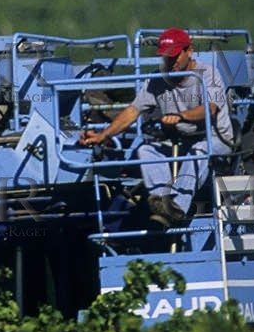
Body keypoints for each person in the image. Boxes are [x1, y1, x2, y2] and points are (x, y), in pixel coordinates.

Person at [80, 28, 236, 226]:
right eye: (166, 58)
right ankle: (163, 202)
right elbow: (133, 111)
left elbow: (210, 109)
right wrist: (103, 135)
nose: (171, 63)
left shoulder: (208, 74)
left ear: (189, 51)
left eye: (174, 56)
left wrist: (181, 116)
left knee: (200, 150)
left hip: (215, 139)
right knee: (146, 150)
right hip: (179, 141)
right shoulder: (157, 80)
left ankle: (178, 206)